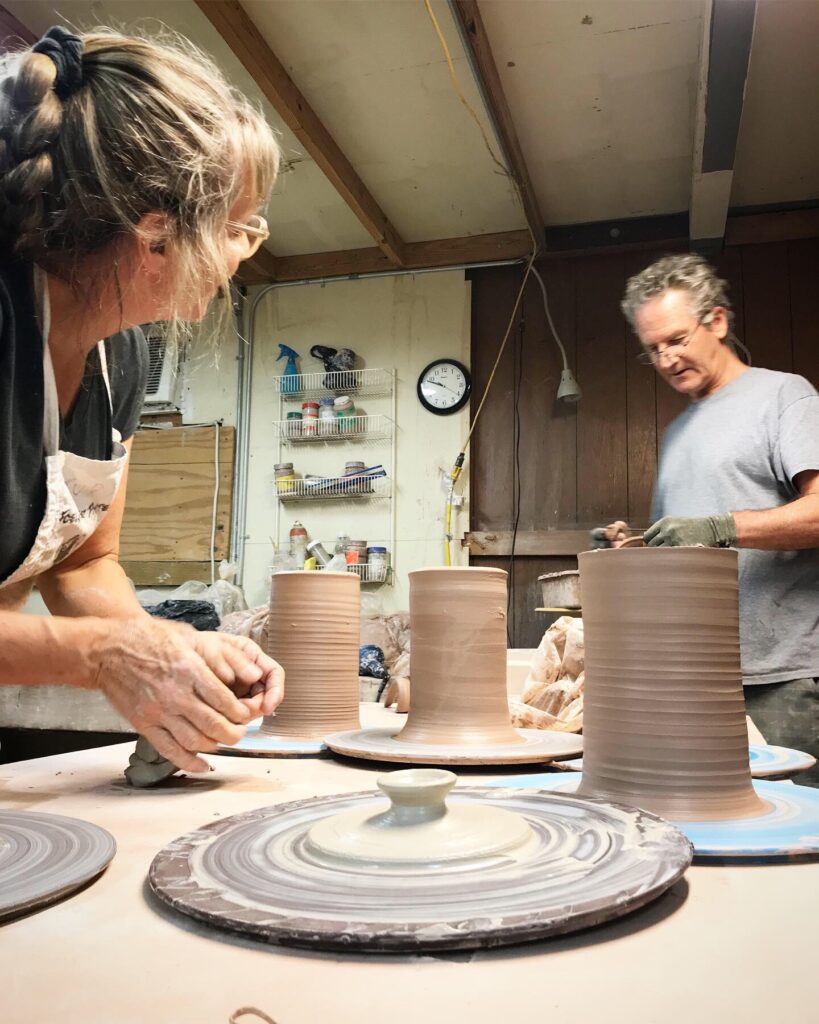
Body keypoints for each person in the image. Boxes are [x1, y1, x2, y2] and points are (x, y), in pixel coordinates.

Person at [0, 26, 284, 776]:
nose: (244, 250)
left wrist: (172, 655)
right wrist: (107, 656)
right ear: (156, 238)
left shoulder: (117, 353)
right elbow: (96, 646)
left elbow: (84, 566)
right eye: (239, 229)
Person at [593, 254, 819, 784]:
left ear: (717, 321)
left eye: (676, 339)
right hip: (692, 677)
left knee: (789, 842)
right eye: (653, 350)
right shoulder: (678, 432)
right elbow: (682, 549)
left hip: (777, 679)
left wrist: (720, 529)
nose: (667, 359)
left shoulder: (783, 396)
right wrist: (635, 544)